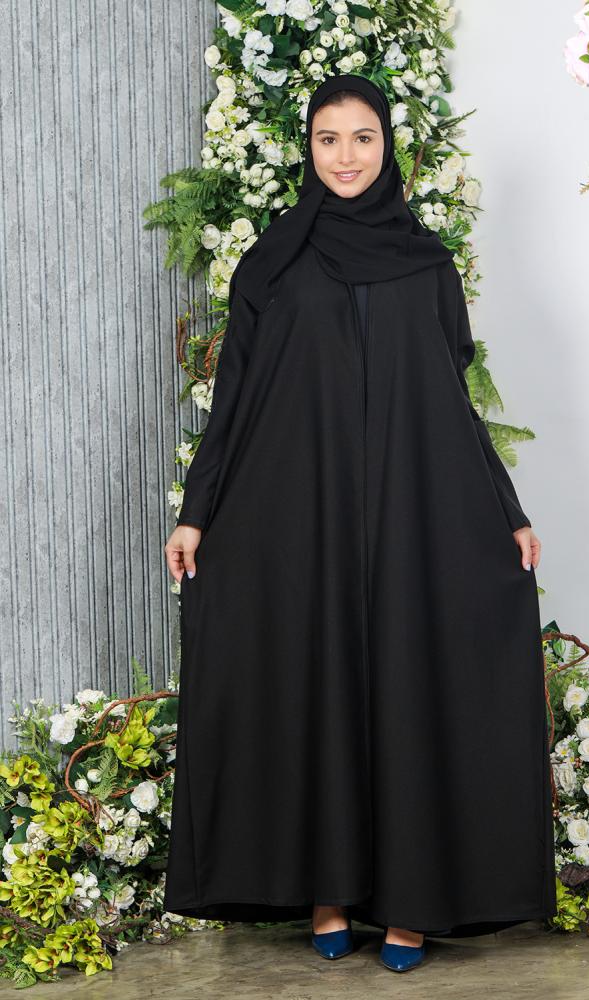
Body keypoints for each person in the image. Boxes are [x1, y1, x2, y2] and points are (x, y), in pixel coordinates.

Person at [163, 73, 557, 974]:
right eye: (328, 139)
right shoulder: (272, 262)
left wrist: (507, 512)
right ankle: (328, 893)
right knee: (318, 683)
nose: (345, 157)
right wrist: (197, 513)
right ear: (308, 149)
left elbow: (450, 395)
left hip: (414, 506)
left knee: (410, 682)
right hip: (296, 510)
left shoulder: (427, 263)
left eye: (363, 138)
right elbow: (234, 398)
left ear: (388, 147)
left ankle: (411, 906)